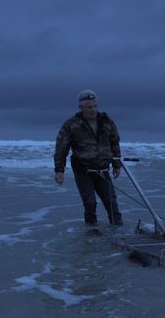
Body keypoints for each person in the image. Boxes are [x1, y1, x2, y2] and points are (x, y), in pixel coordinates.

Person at [54, 90, 123, 226]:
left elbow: (115, 142)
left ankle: (119, 230)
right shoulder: (72, 124)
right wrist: (59, 171)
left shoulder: (107, 121)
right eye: (89, 107)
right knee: (90, 203)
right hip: (83, 170)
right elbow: (61, 148)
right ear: (81, 107)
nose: (93, 109)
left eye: (95, 106)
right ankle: (91, 233)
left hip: (103, 169)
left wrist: (117, 164)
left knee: (111, 202)